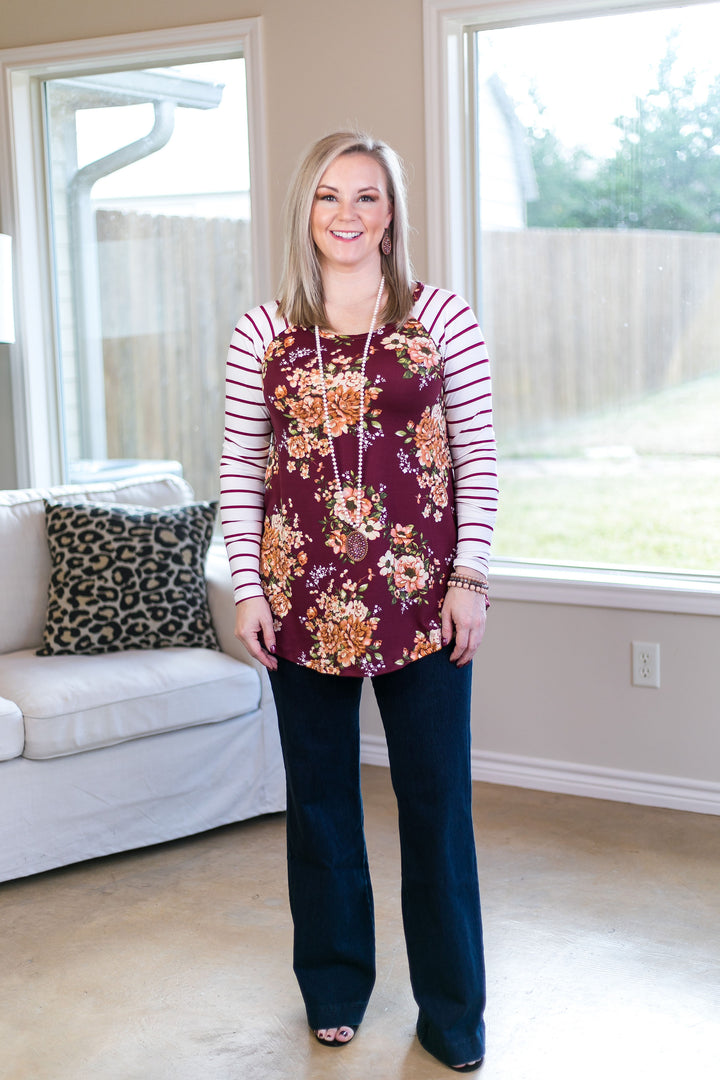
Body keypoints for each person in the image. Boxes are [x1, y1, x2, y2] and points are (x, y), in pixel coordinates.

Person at [220, 131, 498, 1073]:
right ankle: (335, 986)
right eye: (330, 197)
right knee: (324, 808)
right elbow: (239, 472)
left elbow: (480, 460)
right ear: (306, 211)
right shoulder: (262, 331)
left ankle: (454, 1014)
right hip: (296, 605)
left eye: (369, 197)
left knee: (436, 811)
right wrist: (248, 591)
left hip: (423, 603)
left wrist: (471, 580)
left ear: (392, 214)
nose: (348, 214)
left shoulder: (443, 318)